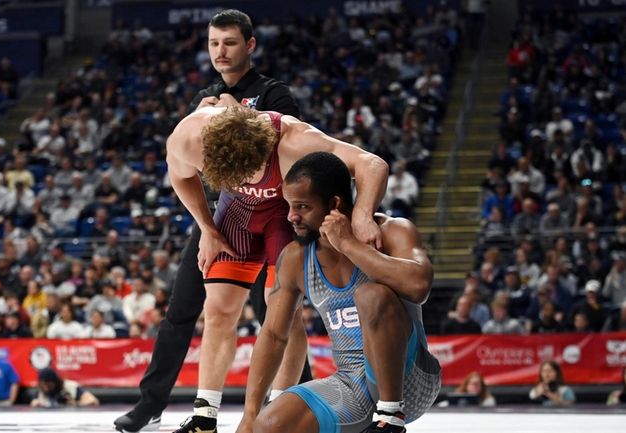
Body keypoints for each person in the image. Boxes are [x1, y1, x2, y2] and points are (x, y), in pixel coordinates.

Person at [114, 9, 305, 433]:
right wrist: (206, 230)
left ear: (250, 46)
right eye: (214, 43)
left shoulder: (275, 94)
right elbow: (183, 161)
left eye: (230, 42)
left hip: (274, 215)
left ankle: (295, 403)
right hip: (225, 218)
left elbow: (293, 155)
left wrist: (234, 112)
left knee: (280, 313)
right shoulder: (205, 98)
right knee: (183, 310)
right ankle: (153, 405)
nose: (220, 51)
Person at [165, 104, 388, 432]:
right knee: (218, 309)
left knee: (282, 309)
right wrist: (207, 229)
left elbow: (372, 164)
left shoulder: (295, 141)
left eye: (248, 174)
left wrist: (363, 214)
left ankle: (278, 407)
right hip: (235, 211)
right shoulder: (189, 136)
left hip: (282, 213)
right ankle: (205, 413)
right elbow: (179, 176)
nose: (245, 181)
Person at [236, 153, 438, 433]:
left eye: (303, 206)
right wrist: (250, 416)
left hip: (411, 380)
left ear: (334, 205)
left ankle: (390, 419)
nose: (291, 216)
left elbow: (419, 286)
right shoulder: (296, 258)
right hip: (351, 385)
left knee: (371, 295)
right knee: (267, 425)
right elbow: (273, 335)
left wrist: (348, 244)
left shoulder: (391, 231)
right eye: (289, 206)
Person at [30, 367, 99, 408]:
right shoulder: (40, 391)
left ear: (55, 382)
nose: (46, 388)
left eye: (49, 385)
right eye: (43, 385)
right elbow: (33, 403)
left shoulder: (70, 387)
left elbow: (93, 401)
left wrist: (76, 404)